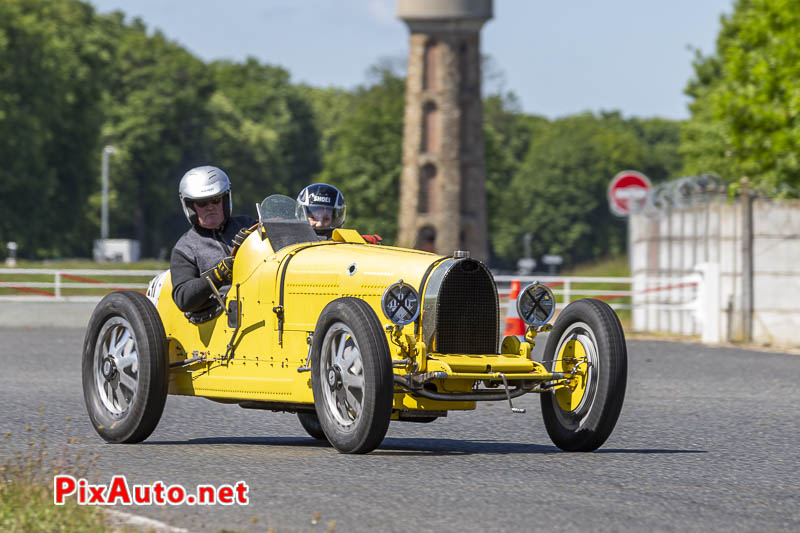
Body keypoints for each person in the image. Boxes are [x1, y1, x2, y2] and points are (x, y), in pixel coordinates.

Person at [170, 166, 257, 323]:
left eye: (216, 200)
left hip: (262, 303)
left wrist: (258, 239)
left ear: (225, 200)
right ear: (190, 207)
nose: (210, 206)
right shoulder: (185, 247)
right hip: (222, 320)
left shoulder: (249, 225)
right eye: (202, 203)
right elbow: (183, 298)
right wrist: (217, 275)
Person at [296, 183, 382, 244]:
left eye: (326, 219)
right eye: (313, 218)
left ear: (335, 220)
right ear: (302, 215)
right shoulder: (288, 242)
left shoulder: (345, 244)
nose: (319, 224)